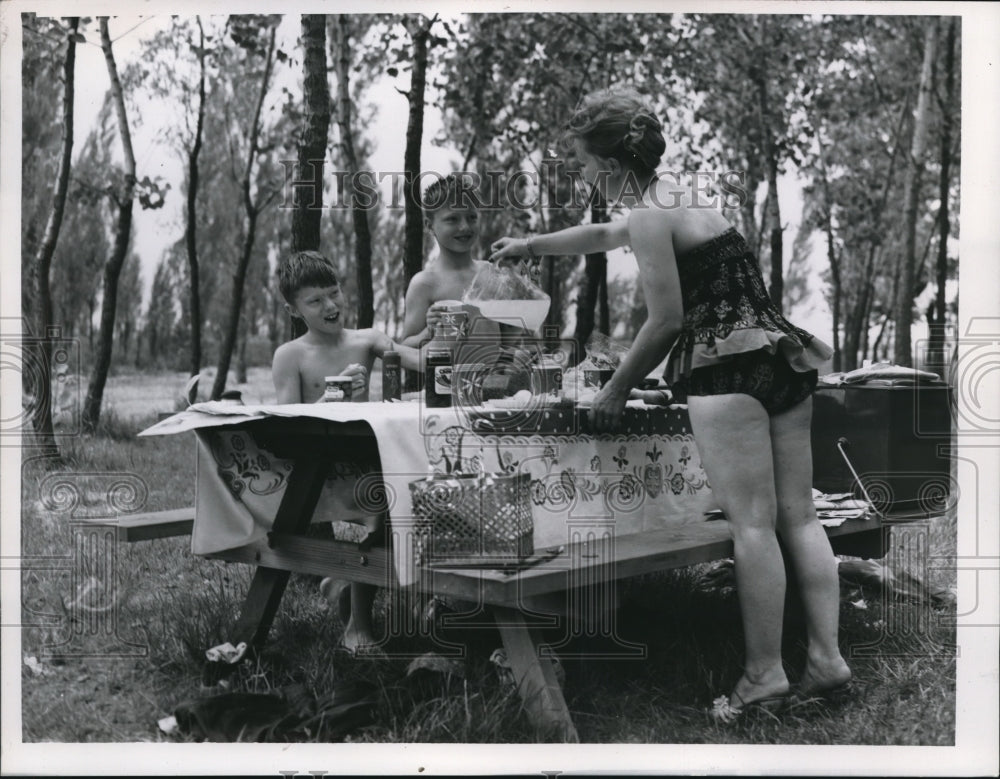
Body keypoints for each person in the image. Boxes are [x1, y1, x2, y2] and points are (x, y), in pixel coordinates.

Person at [490, 87, 851, 722]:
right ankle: (826, 659)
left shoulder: (652, 216)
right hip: (779, 357)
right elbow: (604, 233)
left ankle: (764, 675)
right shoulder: (675, 196)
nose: (578, 174)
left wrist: (616, 386)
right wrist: (531, 245)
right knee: (799, 519)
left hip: (725, 367)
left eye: (579, 162)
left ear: (606, 164)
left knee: (751, 527)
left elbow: (665, 321)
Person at [272, 249, 420, 654]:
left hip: (368, 462)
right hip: (318, 472)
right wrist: (332, 397)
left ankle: (344, 586)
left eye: (333, 293)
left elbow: (417, 360)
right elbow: (288, 425)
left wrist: (461, 344)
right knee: (392, 501)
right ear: (294, 309)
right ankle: (357, 624)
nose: (330, 306)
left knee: (408, 492)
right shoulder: (291, 355)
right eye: (314, 301)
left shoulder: (368, 340)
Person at [401, 173, 523, 358]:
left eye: (471, 217)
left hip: (492, 383)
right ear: (429, 225)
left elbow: (505, 340)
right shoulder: (424, 283)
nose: (465, 227)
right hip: (444, 384)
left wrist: (519, 315)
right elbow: (406, 347)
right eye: (453, 219)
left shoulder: (491, 273)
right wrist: (428, 332)